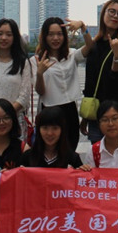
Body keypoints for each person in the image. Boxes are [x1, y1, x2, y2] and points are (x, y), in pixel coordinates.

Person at [34, 17, 94, 150]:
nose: (55, 38)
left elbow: (90, 46)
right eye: (51, 34)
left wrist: (82, 26)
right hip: (49, 110)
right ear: (45, 37)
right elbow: (40, 91)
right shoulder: (37, 60)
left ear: (64, 36)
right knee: (51, 150)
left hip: (69, 109)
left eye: (59, 34)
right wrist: (39, 73)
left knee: (71, 147)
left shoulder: (71, 55)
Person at [80, 0, 118, 143]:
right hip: (97, 113)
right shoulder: (94, 44)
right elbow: (90, 81)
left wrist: (117, 55)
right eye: (111, 11)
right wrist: (86, 116)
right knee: (99, 155)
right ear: (103, 14)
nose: (115, 16)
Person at [0, 18, 34, 138]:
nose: (4, 38)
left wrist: (5, 116)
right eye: (0, 34)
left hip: (15, 121)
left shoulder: (23, 63)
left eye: (9, 34)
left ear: (14, 38)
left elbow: (24, 96)